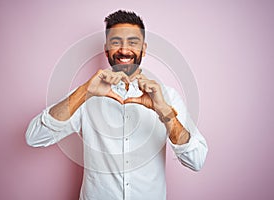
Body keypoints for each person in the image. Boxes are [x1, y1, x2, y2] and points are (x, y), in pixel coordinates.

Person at [26, 10, 208, 200]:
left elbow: (196, 160)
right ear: (106, 49)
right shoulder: (85, 95)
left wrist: (164, 112)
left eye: (133, 42)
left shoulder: (167, 97)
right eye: (115, 42)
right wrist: (84, 91)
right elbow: (35, 137)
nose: (124, 49)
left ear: (143, 49)